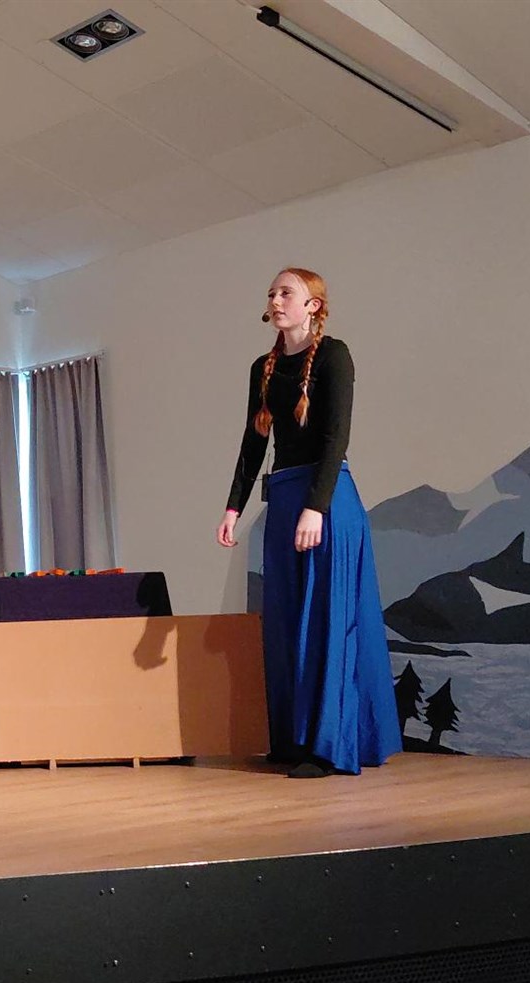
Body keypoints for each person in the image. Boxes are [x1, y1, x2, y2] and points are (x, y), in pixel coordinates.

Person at [216, 268, 399, 779]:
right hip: (283, 496)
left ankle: (326, 747)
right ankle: (294, 740)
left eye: (286, 293)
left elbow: (337, 436)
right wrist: (233, 506)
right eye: (271, 293)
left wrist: (316, 507)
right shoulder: (264, 368)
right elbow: (254, 442)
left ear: (312, 305)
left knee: (326, 621)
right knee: (287, 621)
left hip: (327, 498)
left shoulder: (336, 356)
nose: (275, 300)